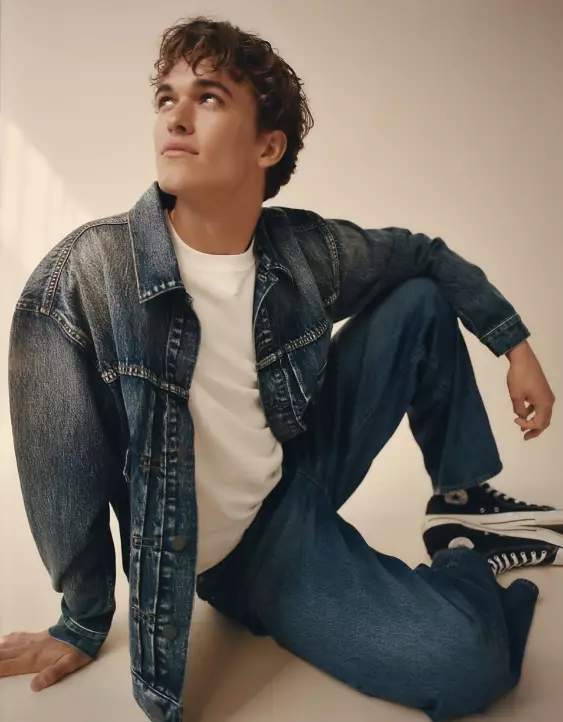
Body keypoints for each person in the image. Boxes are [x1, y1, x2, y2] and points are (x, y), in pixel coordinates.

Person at [2, 15, 559, 722]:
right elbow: (60, 467)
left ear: (268, 145)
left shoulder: (299, 249)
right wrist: (81, 620)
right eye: (166, 97)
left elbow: (422, 252)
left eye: (208, 97)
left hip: (297, 468)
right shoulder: (84, 278)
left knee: (418, 298)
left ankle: (462, 502)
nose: (175, 115)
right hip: (247, 552)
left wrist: (514, 346)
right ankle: (461, 556)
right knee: (469, 664)